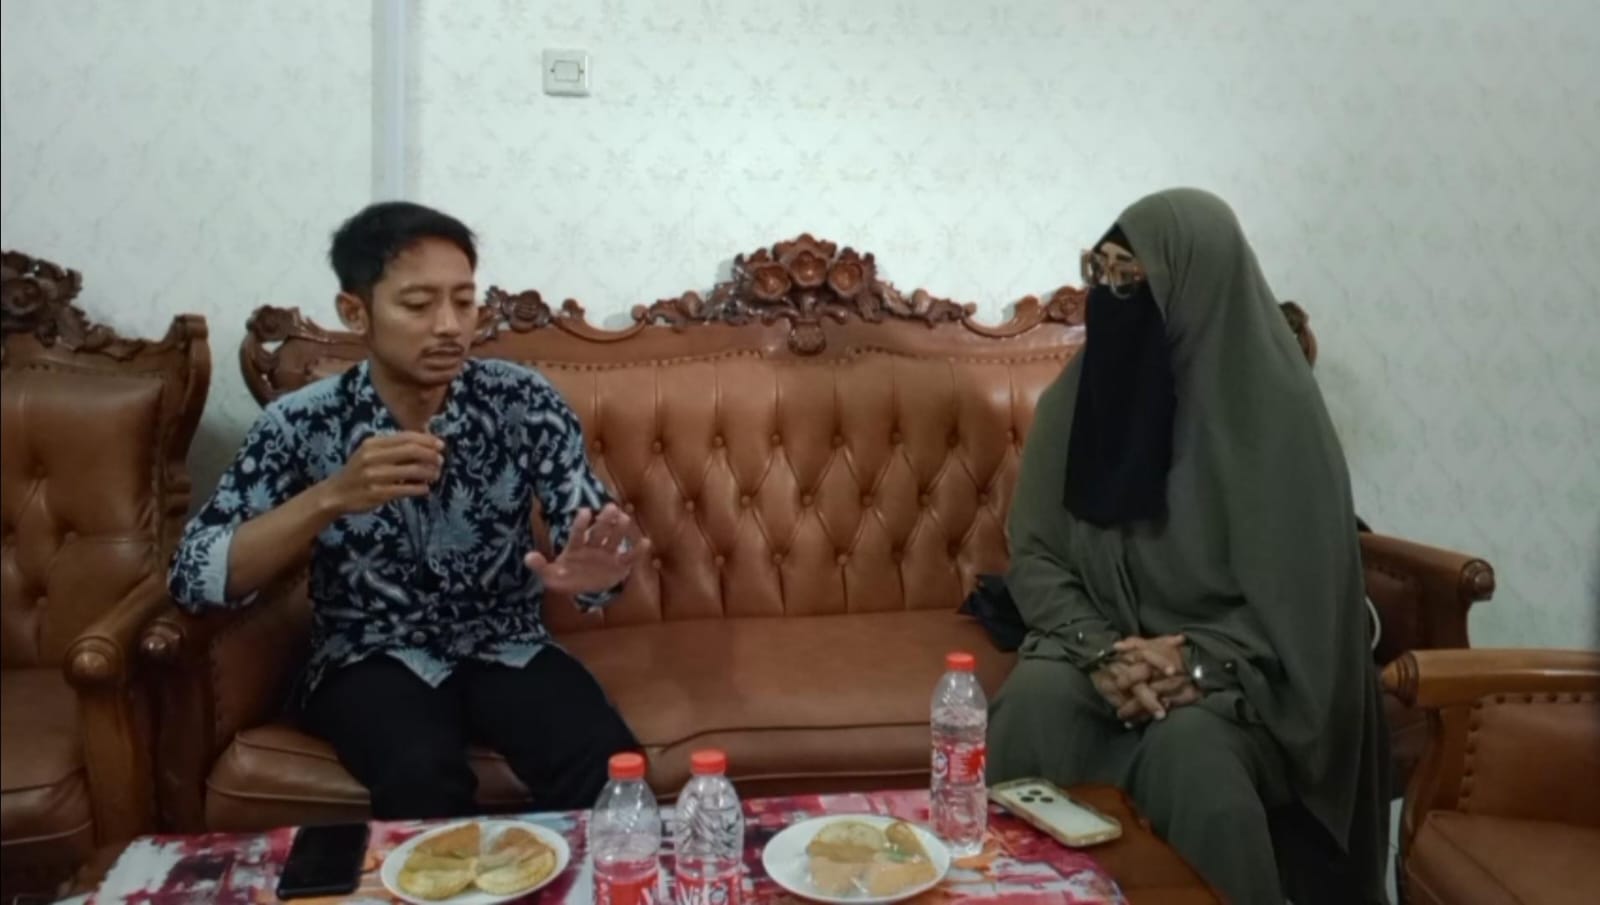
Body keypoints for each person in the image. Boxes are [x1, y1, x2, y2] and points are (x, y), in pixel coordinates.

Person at [169, 201, 650, 819]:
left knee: (604, 765)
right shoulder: (302, 422)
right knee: (419, 772)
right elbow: (195, 573)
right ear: (356, 312)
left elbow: (590, 530)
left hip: (504, 641)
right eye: (419, 305)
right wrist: (332, 496)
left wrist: (600, 571)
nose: (449, 326)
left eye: (464, 302)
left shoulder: (521, 400)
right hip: (367, 651)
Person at [988, 189, 1390, 904]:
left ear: (1196, 292)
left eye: (1131, 279)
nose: (1111, 297)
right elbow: (1038, 555)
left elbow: (1305, 605)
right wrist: (1106, 653)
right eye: (1100, 272)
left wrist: (1195, 662)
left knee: (1193, 758)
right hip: (1099, 649)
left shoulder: (1278, 422)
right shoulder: (1079, 401)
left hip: (1245, 676)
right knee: (1033, 705)